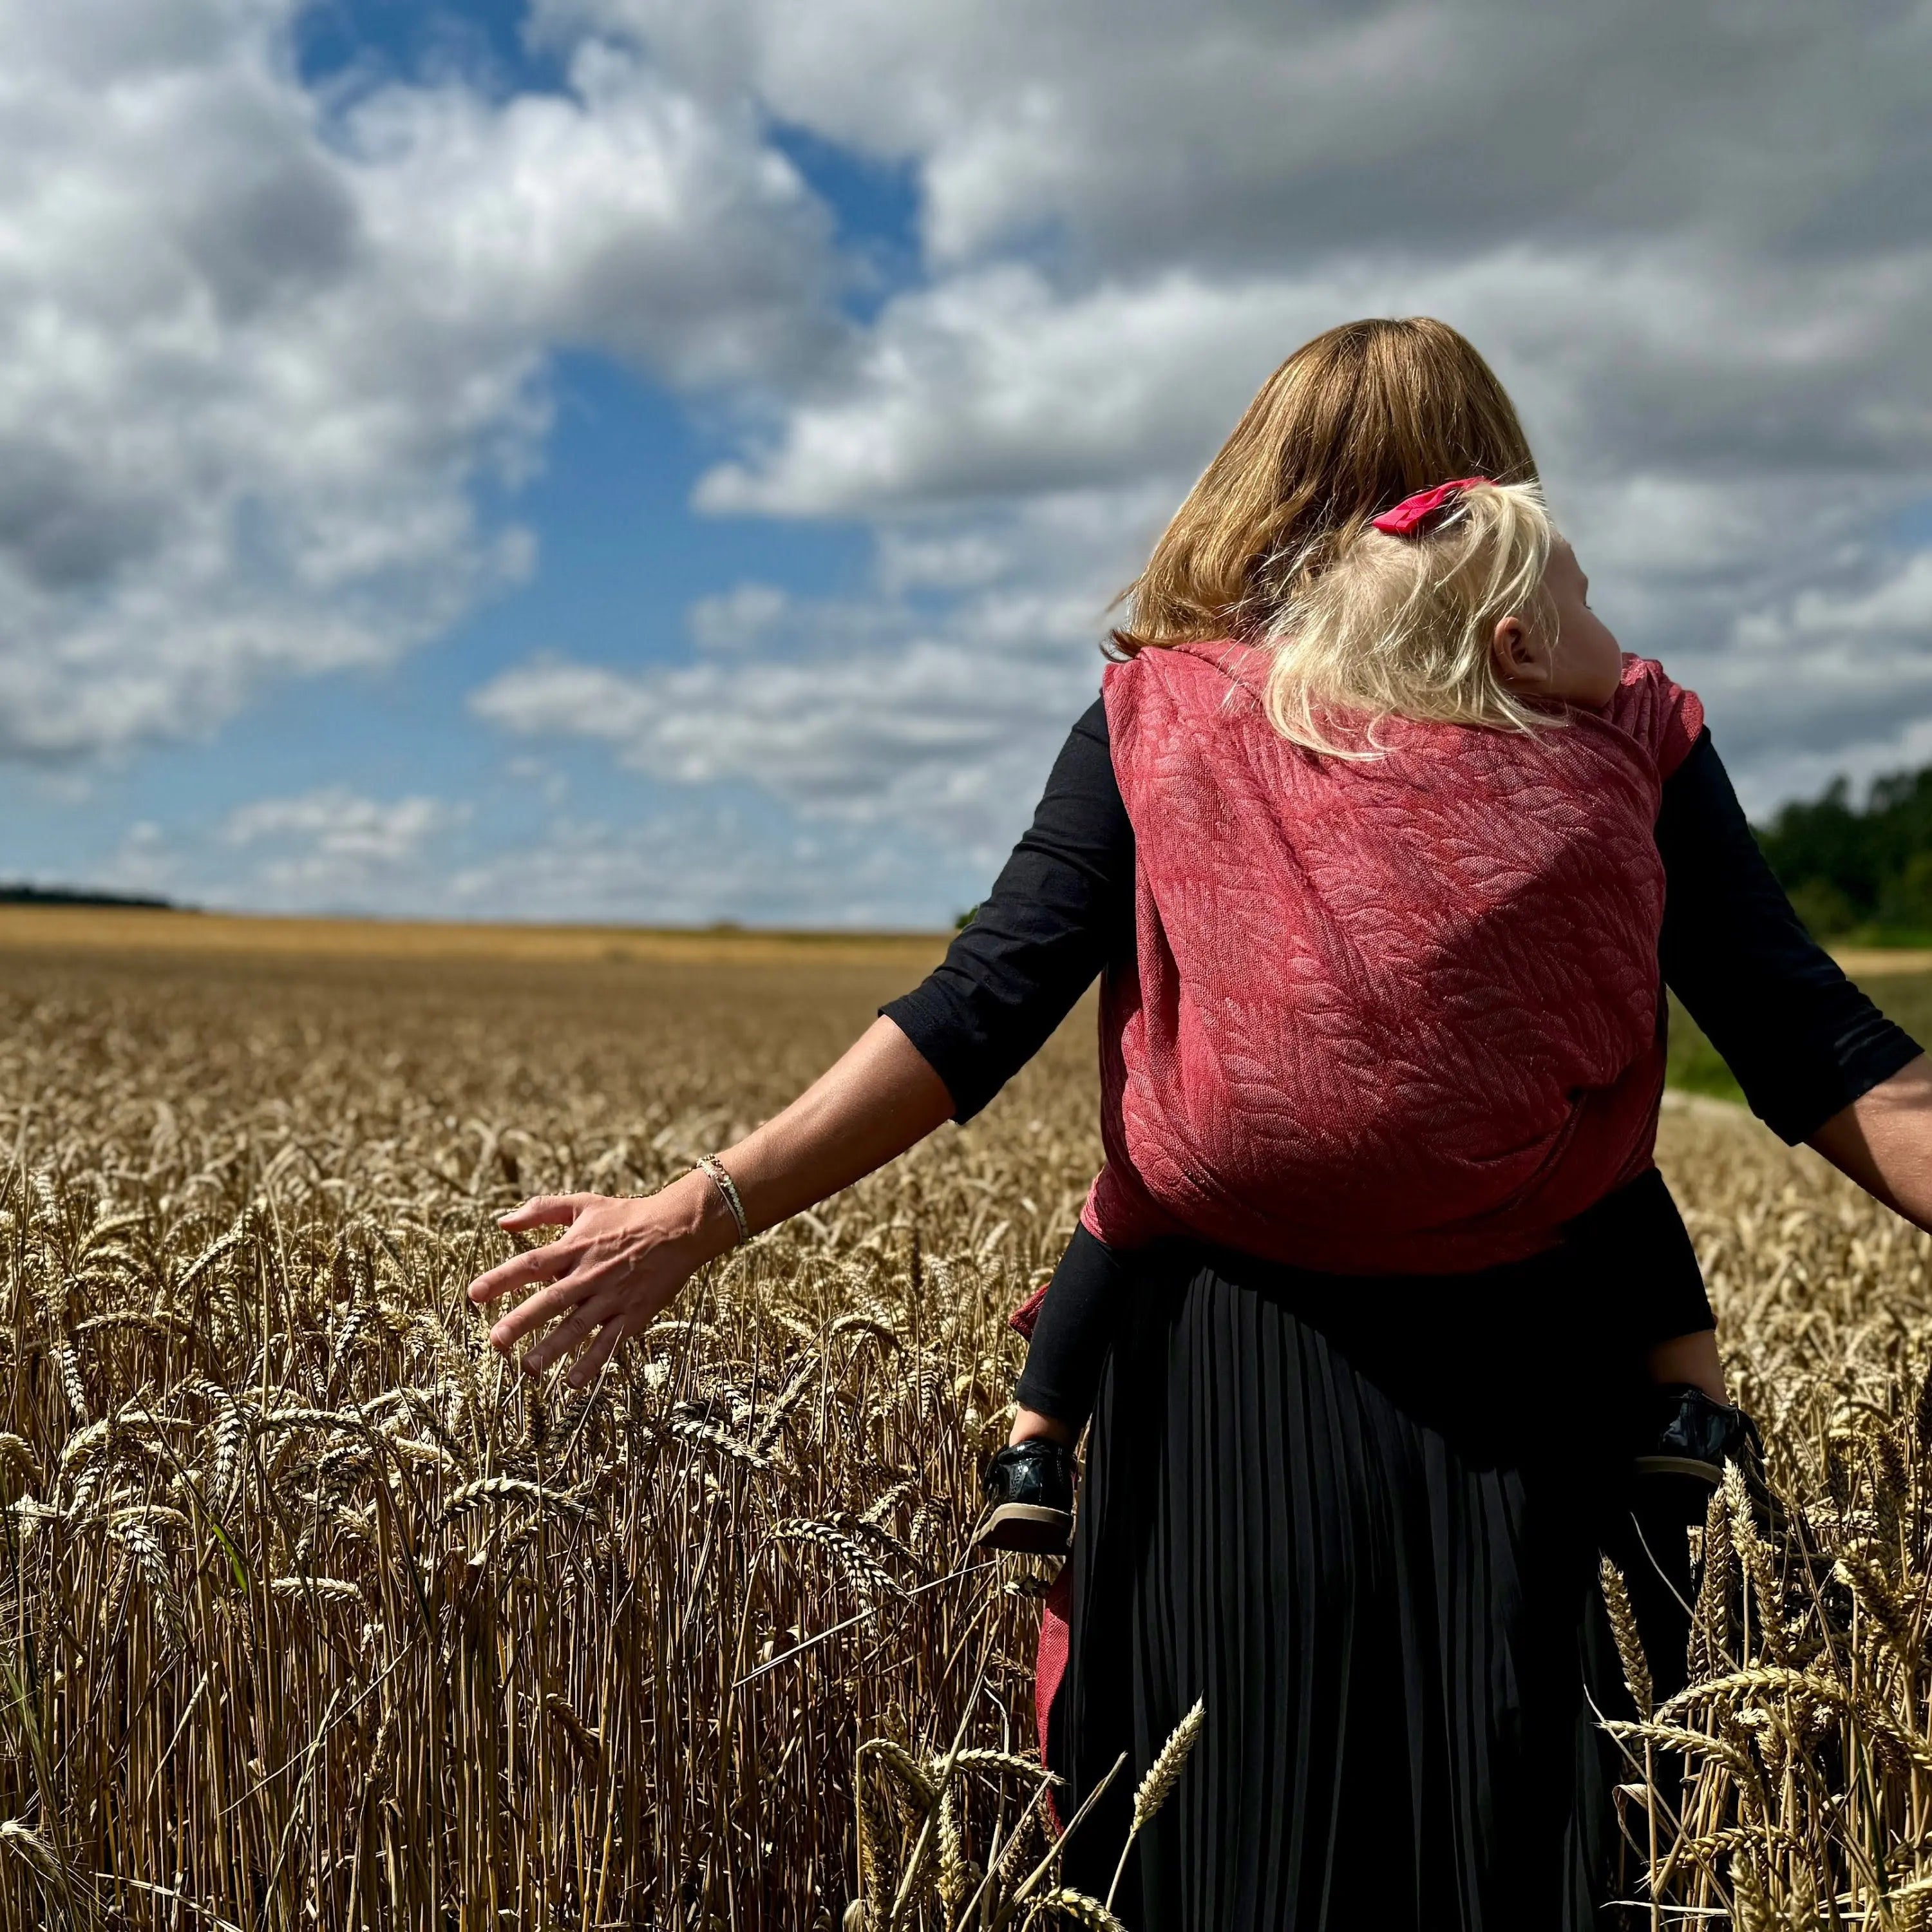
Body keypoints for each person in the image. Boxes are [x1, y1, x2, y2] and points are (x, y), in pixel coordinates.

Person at [466, 317, 1931, 1930]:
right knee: (1537, 1859)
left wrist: (694, 1213)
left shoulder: (1159, 720)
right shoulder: (1618, 738)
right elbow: (1828, 1055)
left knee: (1230, 1854)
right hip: (1545, 1380)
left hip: (1226, 1384)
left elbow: (981, 1006)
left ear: (1259, 495)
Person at [969, 472, 1748, 1560]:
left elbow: (998, 981)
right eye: (1592, 604)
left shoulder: (1263, 750)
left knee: (1128, 1204)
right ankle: (1693, 1404)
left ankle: (1037, 1440)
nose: (1618, 646)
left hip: (1240, 1194)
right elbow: (1615, 988)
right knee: (1621, 1181)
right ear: (1518, 650)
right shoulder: (1595, 776)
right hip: (1510, 1211)